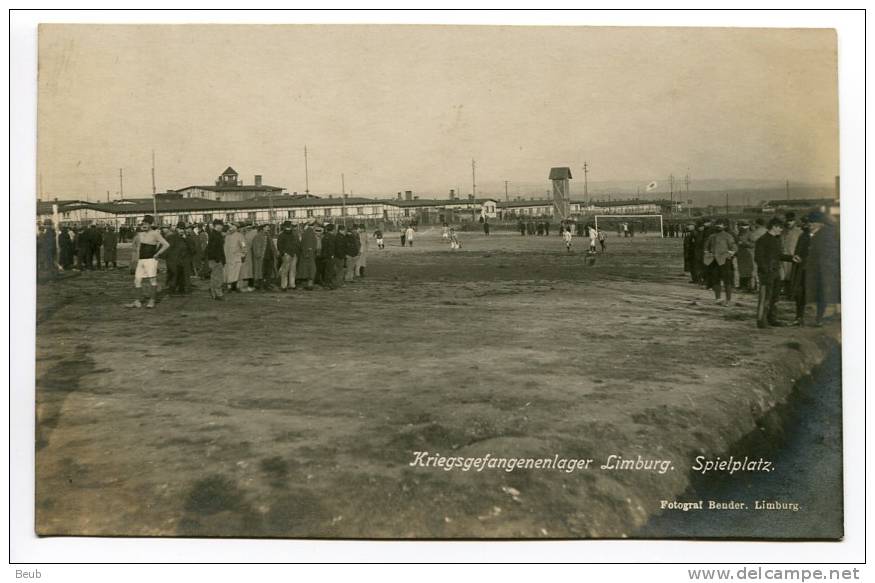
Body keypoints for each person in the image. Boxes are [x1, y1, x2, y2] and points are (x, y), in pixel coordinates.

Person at [754, 217, 799, 328]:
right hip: (766, 273)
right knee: (765, 297)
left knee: (775, 297)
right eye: (780, 228)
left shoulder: (776, 239)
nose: (781, 230)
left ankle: (772, 319)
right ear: (774, 226)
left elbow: (778, 256)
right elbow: (758, 258)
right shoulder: (762, 240)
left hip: (776, 272)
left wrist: (791, 258)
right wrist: (766, 270)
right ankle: (761, 321)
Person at [802, 211, 840, 327]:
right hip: (818, 268)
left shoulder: (824, 235)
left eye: (812, 223)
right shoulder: (816, 233)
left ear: (820, 223)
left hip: (823, 269)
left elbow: (827, 253)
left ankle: (821, 318)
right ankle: (819, 317)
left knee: (822, 294)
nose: (810, 225)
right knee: (820, 294)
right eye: (810, 223)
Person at [126, 215, 169, 309]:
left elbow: (166, 245)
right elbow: (135, 247)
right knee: (137, 280)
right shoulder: (140, 234)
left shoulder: (155, 234)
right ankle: (137, 301)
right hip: (141, 261)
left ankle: (152, 301)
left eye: (146, 223)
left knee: (152, 280)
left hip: (151, 260)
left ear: (150, 224)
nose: (144, 225)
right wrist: (134, 260)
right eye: (143, 223)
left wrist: (157, 254)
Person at [704, 219, 738, 306]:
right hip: (713, 261)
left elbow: (734, 248)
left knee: (727, 281)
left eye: (721, 225)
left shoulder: (728, 236)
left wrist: (727, 255)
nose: (718, 226)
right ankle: (718, 298)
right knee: (715, 280)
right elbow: (706, 248)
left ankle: (728, 300)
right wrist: (708, 254)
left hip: (725, 262)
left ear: (725, 226)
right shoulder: (711, 236)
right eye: (717, 225)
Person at [164, 222, 196, 295]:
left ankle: (182, 290)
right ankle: (172, 290)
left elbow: (193, 250)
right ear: (176, 229)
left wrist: (186, 239)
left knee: (183, 277)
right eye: (180, 229)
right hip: (174, 261)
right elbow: (166, 249)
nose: (181, 230)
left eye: (183, 229)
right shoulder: (171, 237)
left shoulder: (188, 238)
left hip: (184, 261)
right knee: (173, 277)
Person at [780, 212, 803, 298]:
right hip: (783, 257)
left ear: (795, 221)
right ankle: (785, 291)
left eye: (791, 221)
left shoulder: (799, 232)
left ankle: (791, 293)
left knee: (792, 275)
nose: (789, 222)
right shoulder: (782, 232)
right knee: (784, 276)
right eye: (788, 220)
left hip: (793, 257)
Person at [223, 223, 247, 293]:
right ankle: (229, 287)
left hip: (236, 258)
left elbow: (244, 246)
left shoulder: (240, 236)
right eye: (230, 227)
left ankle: (236, 287)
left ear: (236, 228)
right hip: (228, 258)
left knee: (237, 273)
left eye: (232, 227)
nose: (230, 228)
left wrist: (244, 254)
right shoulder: (227, 236)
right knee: (229, 273)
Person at [205, 219, 226, 300]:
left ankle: (214, 294)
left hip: (214, 259)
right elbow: (213, 249)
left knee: (214, 277)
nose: (221, 227)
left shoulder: (214, 234)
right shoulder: (215, 235)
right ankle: (218, 294)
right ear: (216, 226)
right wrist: (218, 259)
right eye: (220, 225)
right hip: (216, 259)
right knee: (218, 277)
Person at [276, 221, 299, 291]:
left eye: (289, 225)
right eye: (288, 226)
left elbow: (297, 244)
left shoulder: (284, 234)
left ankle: (289, 285)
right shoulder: (285, 235)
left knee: (290, 270)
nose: (289, 227)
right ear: (285, 226)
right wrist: (284, 253)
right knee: (288, 270)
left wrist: (284, 252)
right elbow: (279, 245)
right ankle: (286, 285)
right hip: (288, 254)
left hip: (291, 254)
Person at [735, 222, 756, 292]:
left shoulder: (750, 234)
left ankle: (750, 287)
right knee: (741, 270)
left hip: (748, 255)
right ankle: (743, 286)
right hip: (741, 255)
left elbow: (753, 244)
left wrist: (744, 243)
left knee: (749, 271)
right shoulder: (739, 234)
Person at [298, 220, 318, 290]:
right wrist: (308, 253)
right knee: (310, 269)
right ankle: (309, 285)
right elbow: (309, 245)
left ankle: (309, 284)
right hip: (309, 254)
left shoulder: (308, 232)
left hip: (307, 253)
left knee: (307, 269)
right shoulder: (310, 232)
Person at [239, 223, 258, 292]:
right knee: (248, 271)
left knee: (245, 271)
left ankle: (244, 286)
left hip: (244, 255)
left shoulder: (242, 235)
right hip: (246, 255)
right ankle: (248, 286)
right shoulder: (252, 234)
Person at [321, 223, 339, 290]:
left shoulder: (324, 236)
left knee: (326, 270)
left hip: (325, 255)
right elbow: (331, 247)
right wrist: (332, 255)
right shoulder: (332, 237)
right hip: (330, 255)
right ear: (333, 229)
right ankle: (329, 284)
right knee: (330, 270)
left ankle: (326, 284)